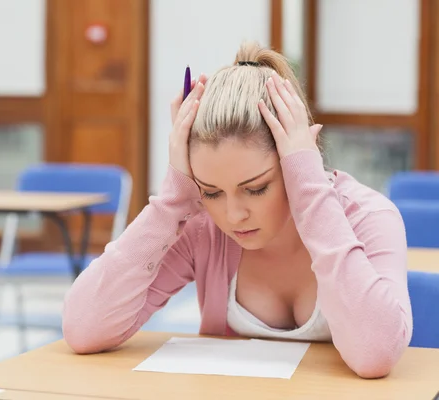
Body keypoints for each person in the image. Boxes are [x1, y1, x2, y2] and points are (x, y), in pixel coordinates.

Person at [61, 42, 413, 379]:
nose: (232, 215)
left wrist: (309, 189)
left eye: (256, 188)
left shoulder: (369, 217)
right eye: (211, 192)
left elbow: (376, 354)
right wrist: (172, 200)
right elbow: (83, 329)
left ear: (298, 156)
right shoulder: (200, 226)